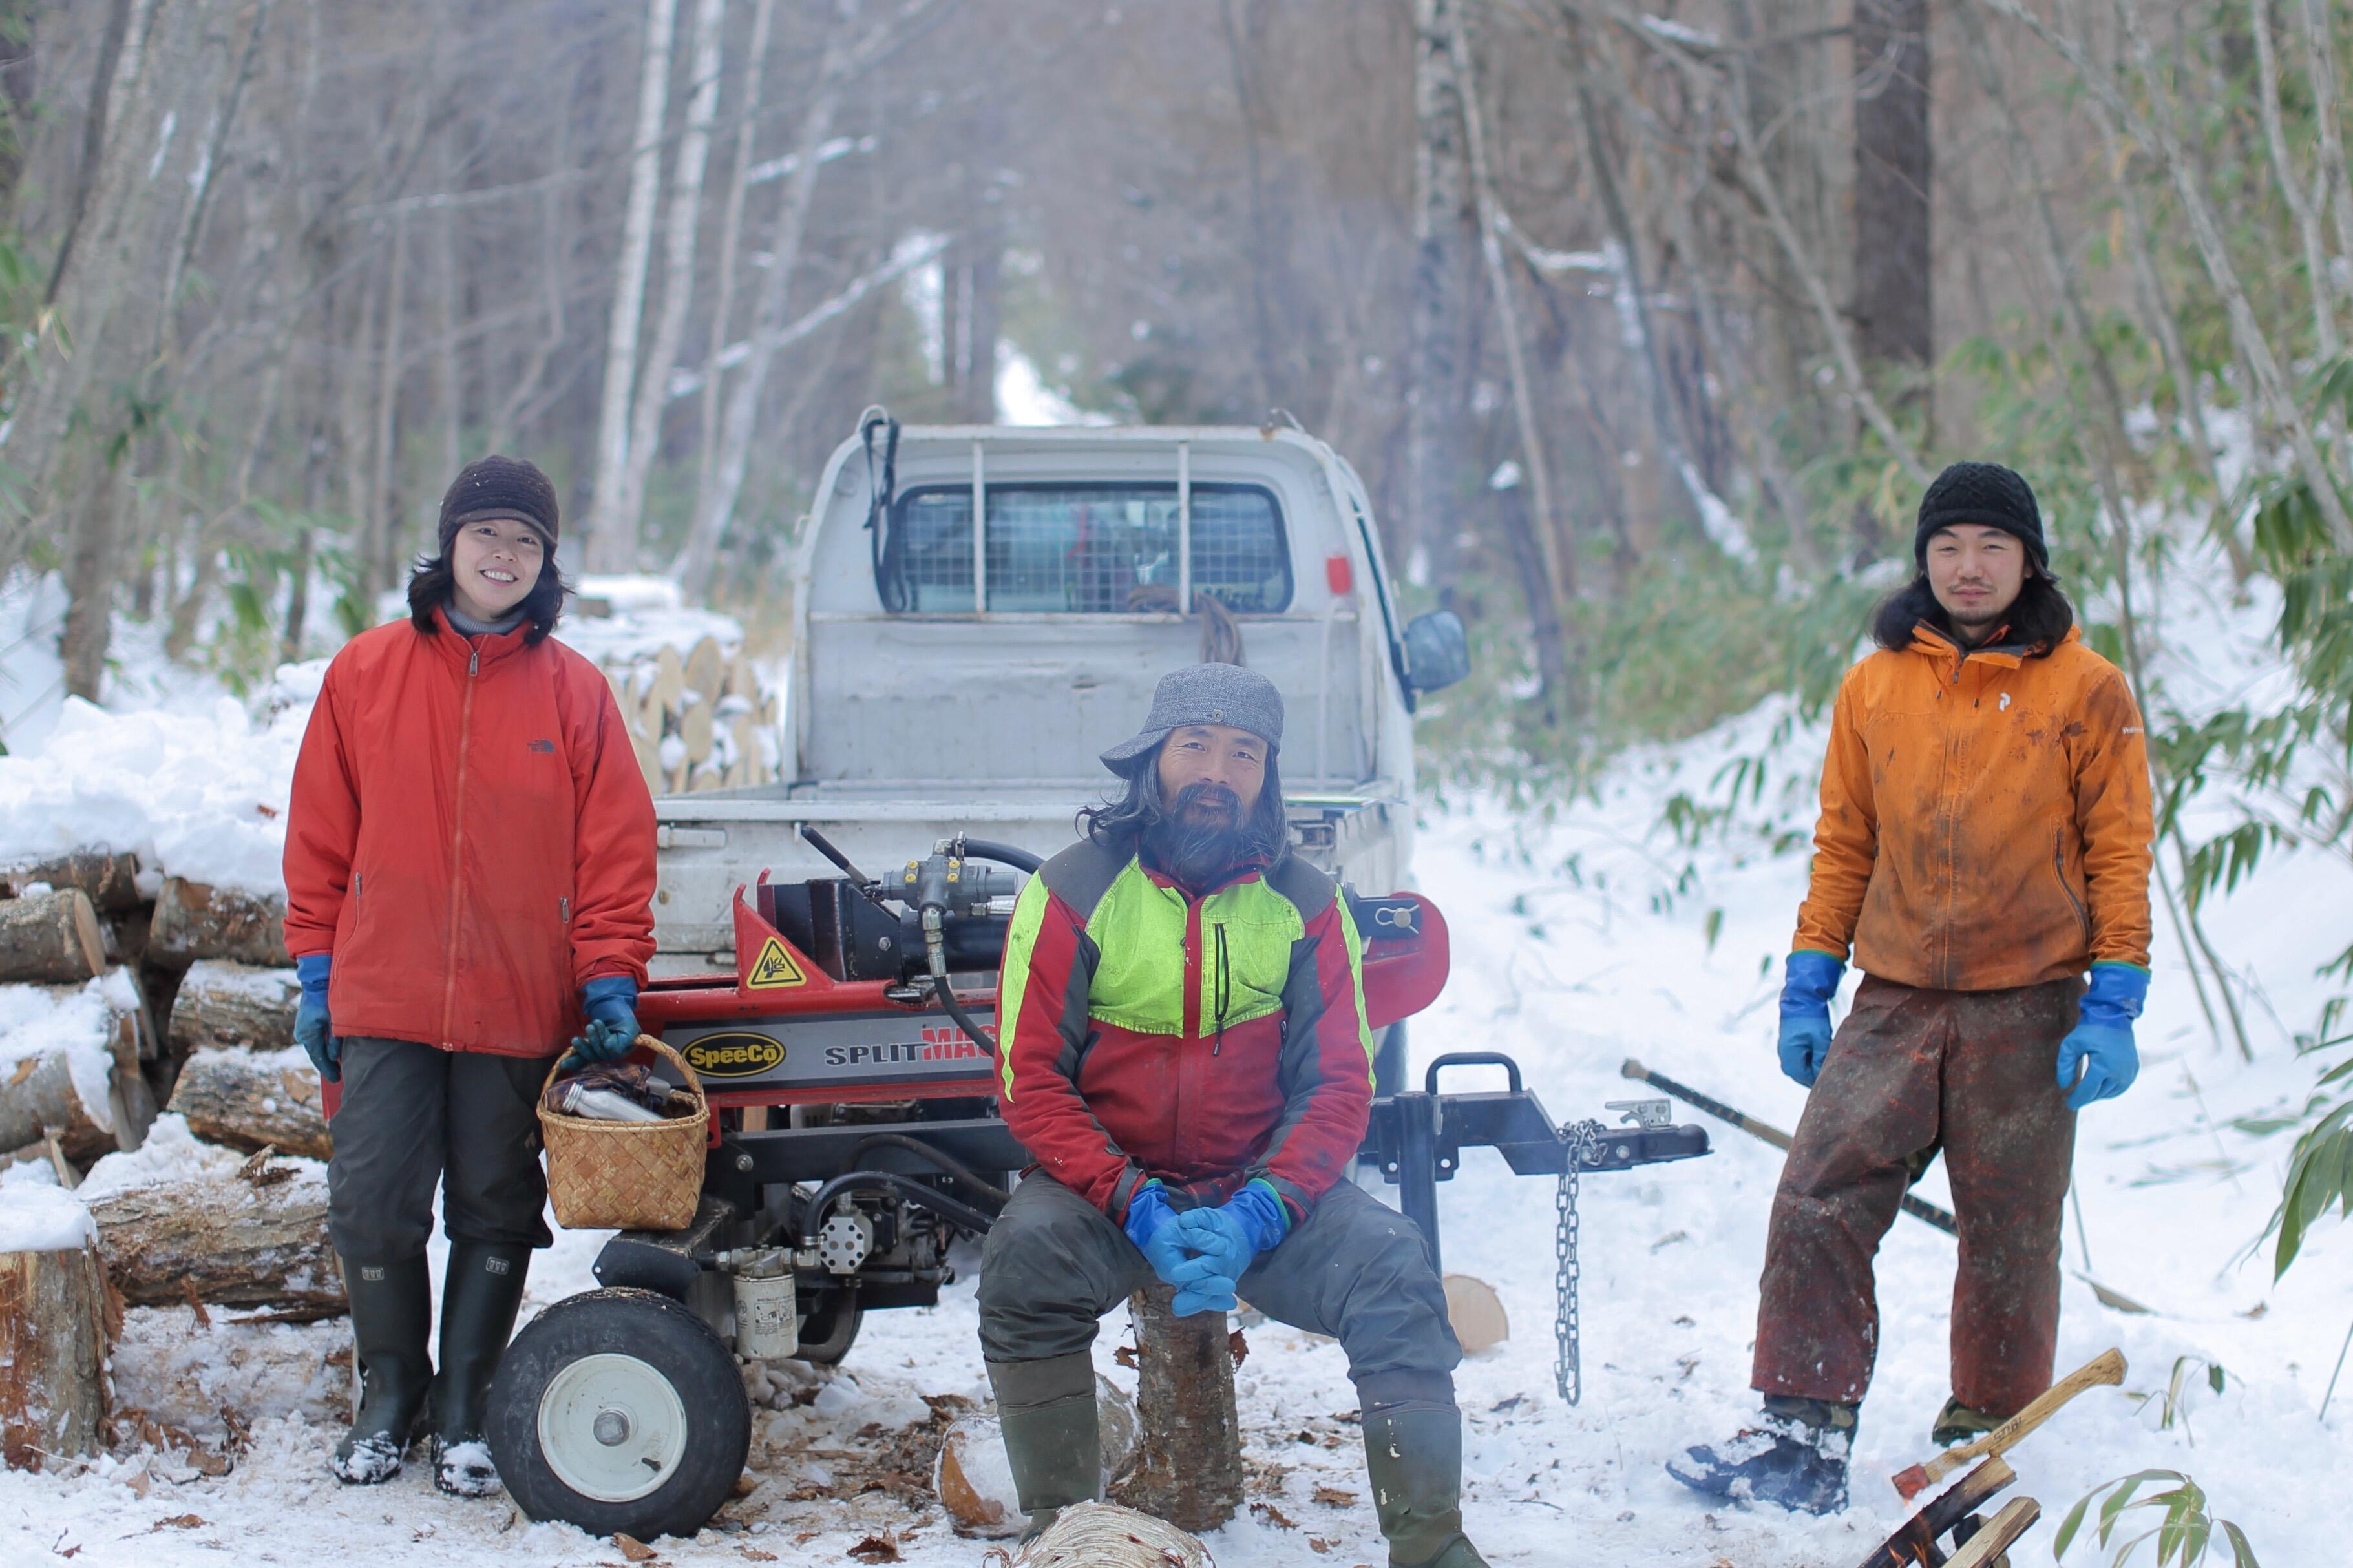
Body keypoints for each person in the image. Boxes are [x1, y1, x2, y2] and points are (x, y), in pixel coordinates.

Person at [1669, 462, 2155, 1512]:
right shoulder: (1874, 683)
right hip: (1891, 997)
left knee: (2009, 1231)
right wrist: (1809, 979)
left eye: (1990, 546)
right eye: (1946, 547)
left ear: (2028, 558)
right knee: (1815, 1198)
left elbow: (2119, 852)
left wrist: (2113, 1001)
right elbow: (1843, 841)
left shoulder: (2088, 688)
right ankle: (1798, 1432)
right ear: (1922, 561)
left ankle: (1984, 1445)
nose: (1967, 568)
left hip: (2031, 1000)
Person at [978, 663, 1484, 1568]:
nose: (1217, 771)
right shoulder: (1068, 892)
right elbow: (1031, 1082)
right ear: (1153, 761)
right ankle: (1062, 1532)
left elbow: (1336, 1087)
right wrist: (1132, 1199)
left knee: (1394, 1271)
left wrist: (1264, 1207)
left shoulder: (1308, 904)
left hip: (1261, 1198)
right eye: (1195, 747)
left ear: (1267, 777)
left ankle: (1432, 1544)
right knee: (1024, 1264)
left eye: (1243, 754)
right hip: (1113, 1201)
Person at [282, 455, 657, 1496]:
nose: (504, 555)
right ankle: (389, 1397)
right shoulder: (364, 672)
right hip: (384, 992)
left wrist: (609, 976)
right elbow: (320, 832)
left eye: (526, 542)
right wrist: (318, 967)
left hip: (514, 997)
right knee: (370, 1203)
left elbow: (616, 852)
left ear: (546, 566)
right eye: (487, 534)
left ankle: (466, 1408)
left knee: (494, 1202)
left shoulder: (576, 691)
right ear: (449, 546)